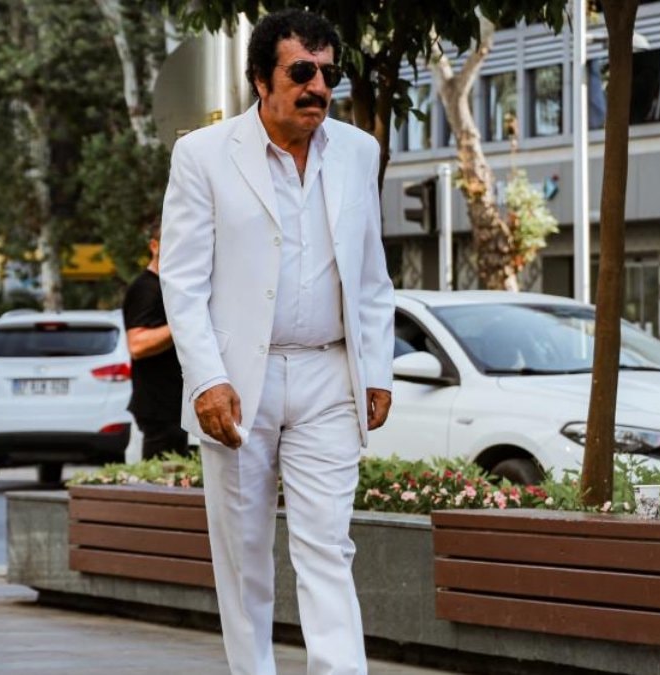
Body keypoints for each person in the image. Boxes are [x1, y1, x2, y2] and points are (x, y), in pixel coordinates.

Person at [158, 9, 394, 674]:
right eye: (301, 72)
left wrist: (377, 368)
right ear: (261, 80)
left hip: (328, 375)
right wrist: (206, 379)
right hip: (238, 382)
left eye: (328, 74)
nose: (318, 87)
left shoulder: (358, 152)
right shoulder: (203, 155)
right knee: (244, 556)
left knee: (328, 546)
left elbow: (371, 274)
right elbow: (183, 279)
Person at [122, 234, 188, 459]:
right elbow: (137, 345)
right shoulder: (145, 288)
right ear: (154, 245)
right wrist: (183, 323)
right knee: (162, 475)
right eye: (171, 239)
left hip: (175, 403)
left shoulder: (169, 286)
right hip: (157, 406)